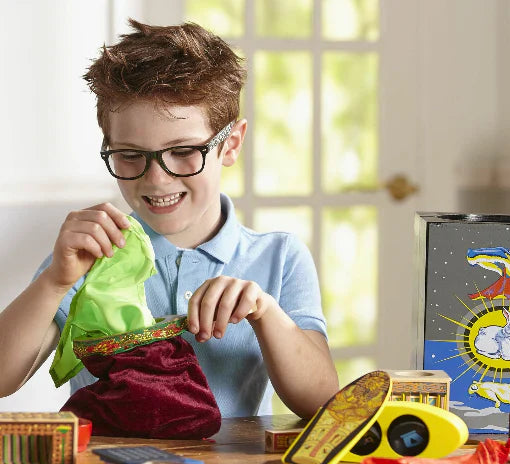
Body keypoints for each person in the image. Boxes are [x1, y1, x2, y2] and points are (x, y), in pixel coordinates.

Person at [0, 19, 339, 419]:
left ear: (229, 145)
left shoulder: (279, 256)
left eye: (182, 152)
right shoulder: (88, 258)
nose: (156, 178)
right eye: (129, 154)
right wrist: (56, 281)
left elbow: (322, 402)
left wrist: (264, 313)